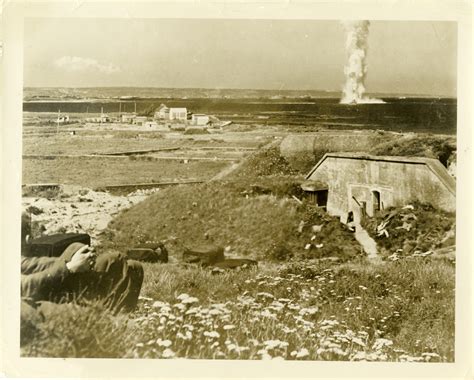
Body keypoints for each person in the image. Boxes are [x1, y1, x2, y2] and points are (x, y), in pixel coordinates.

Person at [21, 212, 144, 315]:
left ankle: (114, 311)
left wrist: (74, 255)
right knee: (119, 262)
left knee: (124, 264)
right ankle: (116, 317)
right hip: (35, 306)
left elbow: (34, 264)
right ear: (28, 238)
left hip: (42, 294)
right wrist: (70, 267)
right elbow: (24, 287)